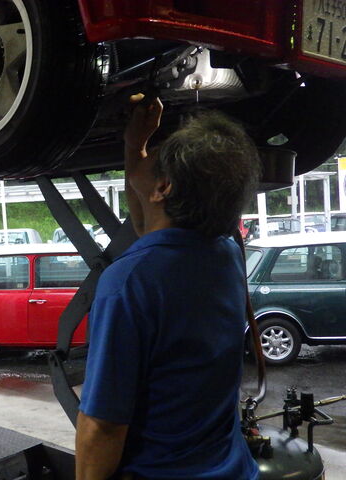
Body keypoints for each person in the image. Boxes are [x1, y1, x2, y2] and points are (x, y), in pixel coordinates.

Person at [75, 94, 262, 479]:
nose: (150, 154)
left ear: (163, 187)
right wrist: (135, 146)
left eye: (157, 154)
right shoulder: (226, 256)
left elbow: (102, 427)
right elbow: (148, 226)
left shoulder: (127, 282)